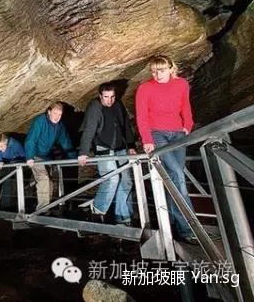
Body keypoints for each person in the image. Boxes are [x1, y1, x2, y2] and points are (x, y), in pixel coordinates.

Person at [136, 55, 196, 243]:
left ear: (171, 68)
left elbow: (186, 107)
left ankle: (172, 224)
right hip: (157, 135)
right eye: (154, 71)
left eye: (161, 70)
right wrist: (147, 139)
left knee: (173, 178)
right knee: (177, 175)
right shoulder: (145, 88)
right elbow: (141, 116)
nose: (157, 74)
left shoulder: (182, 84)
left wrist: (188, 126)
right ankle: (189, 229)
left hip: (178, 134)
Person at [78, 83, 137, 225]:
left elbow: (126, 125)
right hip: (103, 147)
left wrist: (131, 145)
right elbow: (89, 129)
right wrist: (83, 152)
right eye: (106, 97)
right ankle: (97, 210)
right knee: (112, 179)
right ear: (100, 96)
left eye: (112, 97)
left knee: (126, 181)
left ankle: (123, 217)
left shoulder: (118, 104)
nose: (109, 100)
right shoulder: (95, 107)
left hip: (120, 148)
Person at [25, 102, 76, 210]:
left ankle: (47, 206)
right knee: (43, 179)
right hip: (35, 155)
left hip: (46, 157)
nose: (57, 117)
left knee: (51, 182)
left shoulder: (59, 126)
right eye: (55, 113)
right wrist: (29, 157)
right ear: (49, 112)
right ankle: (42, 210)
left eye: (59, 114)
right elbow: (31, 139)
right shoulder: (40, 121)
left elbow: (65, 142)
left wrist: (74, 158)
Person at [0, 134, 26, 208]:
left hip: (16, 161)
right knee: (6, 182)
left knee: (18, 181)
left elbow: (23, 155)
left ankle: (20, 204)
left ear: (6, 142)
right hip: (6, 163)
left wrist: (17, 161)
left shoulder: (15, 144)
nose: (0, 149)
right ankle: (5, 205)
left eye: (1, 146)